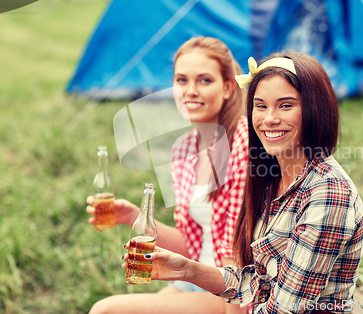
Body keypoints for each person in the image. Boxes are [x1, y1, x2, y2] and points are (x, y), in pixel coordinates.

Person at [125, 52, 363, 314]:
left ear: (314, 108)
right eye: (260, 106)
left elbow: (285, 309)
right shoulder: (270, 177)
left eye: (285, 105)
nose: (269, 118)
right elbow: (256, 284)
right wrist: (187, 269)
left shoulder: (327, 192)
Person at [87, 36, 249, 314]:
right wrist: (131, 216)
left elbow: (242, 255)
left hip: (236, 287)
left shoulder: (245, 142)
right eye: (181, 80)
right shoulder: (184, 149)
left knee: (106, 310)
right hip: (195, 277)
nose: (190, 91)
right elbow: (190, 243)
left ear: (227, 87)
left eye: (205, 80)